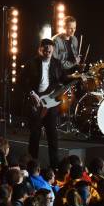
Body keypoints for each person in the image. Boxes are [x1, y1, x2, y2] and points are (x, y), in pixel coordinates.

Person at [22, 39, 69, 168]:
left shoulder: (57, 64)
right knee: (35, 136)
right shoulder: (31, 63)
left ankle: (55, 167)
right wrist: (31, 94)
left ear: (53, 50)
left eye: (50, 49)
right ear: (40, 49)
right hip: (36, 103)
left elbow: (64, 79)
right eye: (45, 49)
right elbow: (22, 81)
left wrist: (77, 76)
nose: (48, 51)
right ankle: (32, 167)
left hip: (51, 105)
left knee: (53, 137)